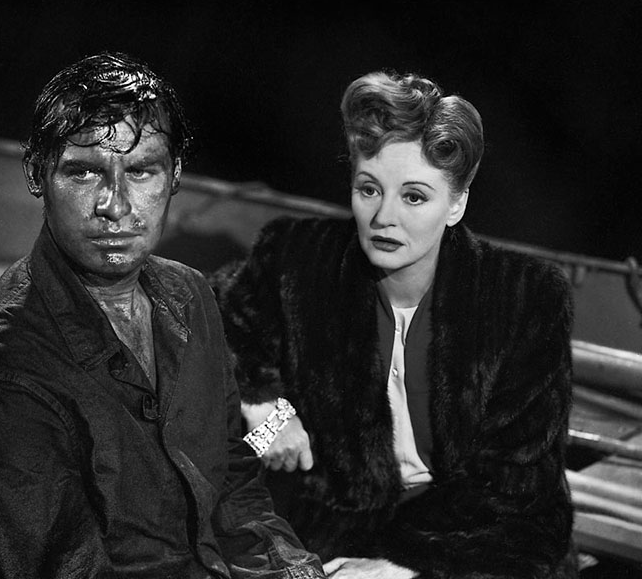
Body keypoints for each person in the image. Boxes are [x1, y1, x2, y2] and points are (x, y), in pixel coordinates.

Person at [0, 51, 325, 579]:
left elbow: (232, 479)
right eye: (84, 172)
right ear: (36, 173)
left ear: (175, 175)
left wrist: (298, 572)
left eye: (141, 171)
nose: (115, 204)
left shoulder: (190, 295)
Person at [214, 71, 576, 578]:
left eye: (414, 197)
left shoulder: (525, 297)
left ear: (456, 204)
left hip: (480, 538)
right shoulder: (298, 259)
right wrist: (265, 410)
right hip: (333, 526)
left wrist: (401, 565)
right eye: (369, 189)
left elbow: (518, 483)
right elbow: (210, 329)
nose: (384, 217)